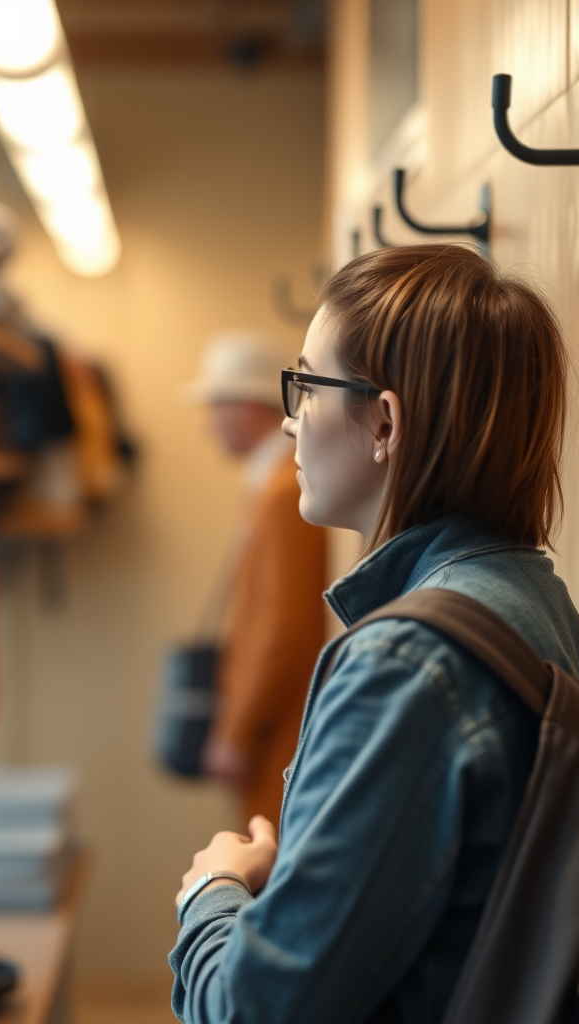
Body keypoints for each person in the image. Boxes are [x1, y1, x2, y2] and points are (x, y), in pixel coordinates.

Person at [169, 246, 579, 1023]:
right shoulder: (538, 599)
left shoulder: (407, 663)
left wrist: (215, 889)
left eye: (306, 385)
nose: (289, 417)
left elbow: (257, 1010)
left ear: (385, 422)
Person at [186, 332, 327, 828]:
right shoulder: (277, 485)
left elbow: (283, 630)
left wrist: (237, 731)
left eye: (214, 408)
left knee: (266, 862)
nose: (208, 427)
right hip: (275, 728)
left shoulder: (283, 493)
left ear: (248, 406)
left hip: (275, 734)